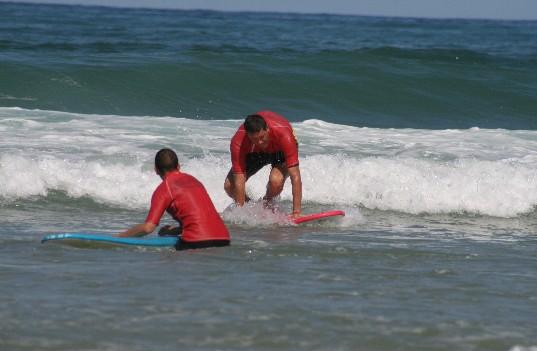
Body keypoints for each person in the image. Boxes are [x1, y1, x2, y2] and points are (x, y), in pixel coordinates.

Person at [116, 148, 230, 250]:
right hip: (224, 239)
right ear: (178, 166)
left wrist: (119, 237)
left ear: (156, 170)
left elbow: (148, 228)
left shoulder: (164, 189)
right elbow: (199, 218)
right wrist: (173, 231)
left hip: (197, 242)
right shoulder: (195, 181)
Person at [224, 110, 302, 218]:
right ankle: (251, 207)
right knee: (229, 185)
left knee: (275, 181)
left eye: (262, 137)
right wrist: (241, 214)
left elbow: (295, 176)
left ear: (267, 129)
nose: (259, 142)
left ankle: (267, 204)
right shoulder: (238, 142)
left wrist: (296, 212)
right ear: (247, 135)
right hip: (255, 153)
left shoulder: (284, 134)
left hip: (279, 150)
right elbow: (239, 178)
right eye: (254, 139)